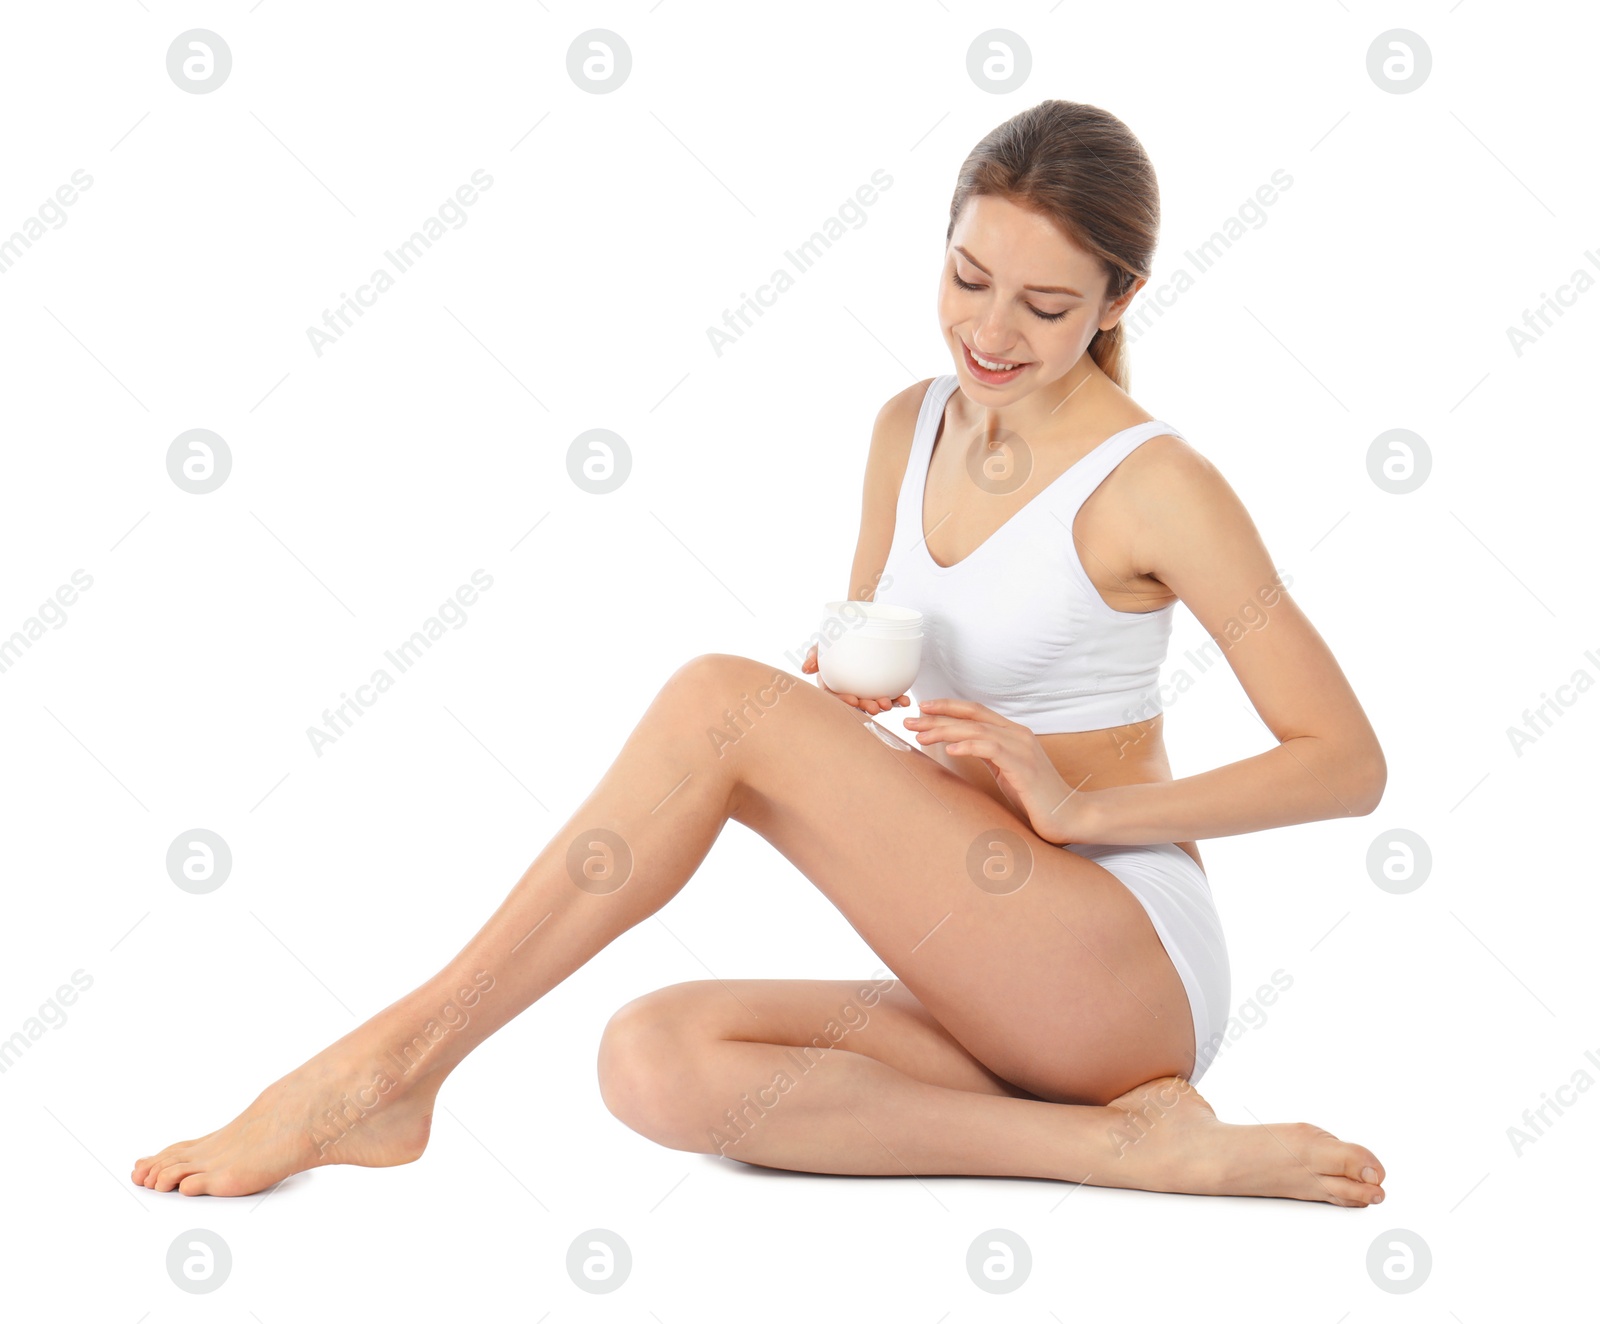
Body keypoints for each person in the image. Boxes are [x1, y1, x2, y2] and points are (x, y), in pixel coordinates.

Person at [132, 99, 1387, 1206]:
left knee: (717, 703)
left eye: (1046, 304)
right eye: (966, 278)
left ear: (1118, 301)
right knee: (654, 1059)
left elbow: (1345, 763)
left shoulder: (1157, 483)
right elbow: (861, 693)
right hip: (989, 958)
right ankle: (1124, 1147)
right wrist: (846, 696)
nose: (990, 331)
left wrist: (1082, 805)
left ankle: (386, 1067)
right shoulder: (911, 425)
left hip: (1119, 960)